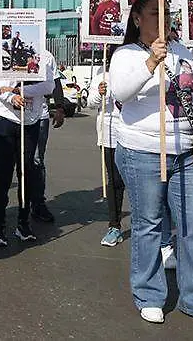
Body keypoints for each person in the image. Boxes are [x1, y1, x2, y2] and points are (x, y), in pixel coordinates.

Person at [109, 0, 193, 328]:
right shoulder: (126, 55)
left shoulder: (181, 52)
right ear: (136, 19)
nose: (162, 20)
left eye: (166, 13)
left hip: (186, 151)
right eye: (152, 13)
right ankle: (149, 294)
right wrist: (151, 63)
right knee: (148, 224)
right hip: (142, 151)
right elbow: (121, 92)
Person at [0, 35, 55, 247]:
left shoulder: (44, 57)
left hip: (31, 121)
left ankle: (23, 223)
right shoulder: (2, 55)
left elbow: (49, 86)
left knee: (26, 174)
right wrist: (10, 96)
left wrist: (20, 90)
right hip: (5, 120)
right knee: (3, 175)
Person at [89, 50, 126, 247]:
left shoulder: (131, 70)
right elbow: (90, 102)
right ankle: (114, 226)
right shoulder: (100, 74)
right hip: (108, 134)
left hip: (132, 133)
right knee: (115, 181)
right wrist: (99, 94)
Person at [31, 50, 66, 224]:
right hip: (12, 116)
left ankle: (38, 203)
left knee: (37, 160)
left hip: (40, 117)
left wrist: (59, 108)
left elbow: (56, 82)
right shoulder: (5, 50)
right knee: (9, 162)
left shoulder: (47, 56)